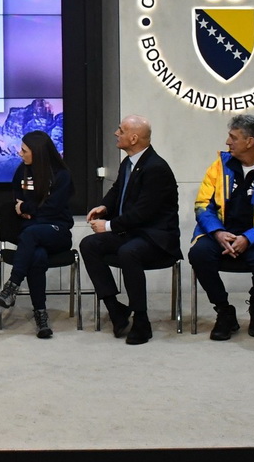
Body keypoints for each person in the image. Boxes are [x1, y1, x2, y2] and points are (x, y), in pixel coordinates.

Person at [189, 114, 254, 340]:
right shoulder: (219, 166)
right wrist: (218, 232)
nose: (228, 142)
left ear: (250, 142)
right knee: (198, 254)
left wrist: (248, 238)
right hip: (222, 233)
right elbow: (201, 206)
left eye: (233, 137)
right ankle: (224, 310)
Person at [80, 114, 180, 345]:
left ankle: (141, 320)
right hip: (134, 233)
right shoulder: (129, 162)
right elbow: (117, 190)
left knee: (129, 252)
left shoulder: (156, 168)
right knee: (89, 245)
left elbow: (144, 212)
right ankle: (115, 308)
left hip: (156, 238)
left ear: (134, 138)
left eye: (121, 130)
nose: (116, 133)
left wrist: (108, 226)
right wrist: (104, 206)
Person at [0, 130, 74, 338]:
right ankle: (41, 315)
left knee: (30, 235)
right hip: (32, 232)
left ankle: (12, 285)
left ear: (37, 153)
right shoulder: (22, 171)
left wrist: (28, 209)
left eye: (25, 150)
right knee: (36, 255)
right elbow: (18, 202)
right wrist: (28, 208)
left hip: (57, 232)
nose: (20, 153)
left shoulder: (61, 176)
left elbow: (52, 209)